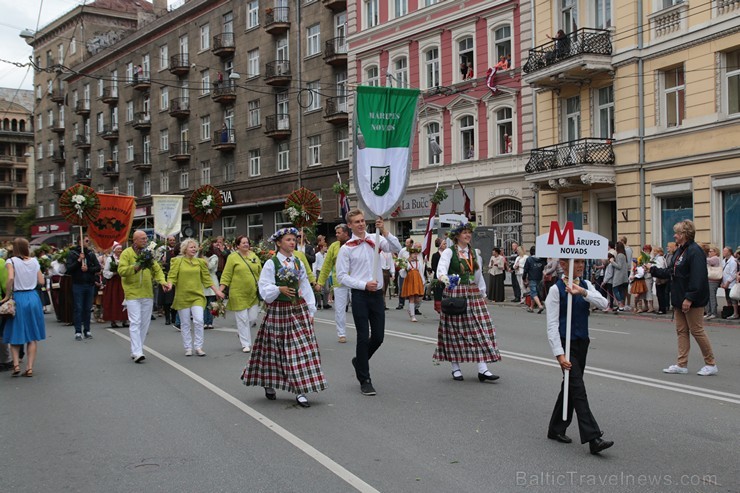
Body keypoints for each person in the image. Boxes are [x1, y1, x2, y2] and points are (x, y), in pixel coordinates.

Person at [243, 227, 326, 408]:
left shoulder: (298, 262)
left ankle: (300, 389)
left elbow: (304, 285)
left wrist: (311, 310)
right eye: (288, 239)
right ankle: (269, 382)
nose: (292, 242)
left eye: (294, 239)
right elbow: (264, 287)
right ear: (279, 243)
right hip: (278, 310)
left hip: (297, 309)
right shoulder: (271, 263)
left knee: (300, 349)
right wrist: (278, 289)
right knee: (273, 350)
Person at [545, 257, 613, 455]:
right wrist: (559, 355)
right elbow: (551, 325)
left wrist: (583, 292)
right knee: (578, 388)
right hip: (566, 345)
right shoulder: (556, 289)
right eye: (578, 262)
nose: (582, 266)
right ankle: (593, 437)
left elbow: (604, 303)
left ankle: (555, 428)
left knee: (570, 386)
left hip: (582, 342)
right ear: (564, 265)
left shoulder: (586, 284)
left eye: (583, 262)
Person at [336, 209, 402, 396]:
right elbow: (342, 277)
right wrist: (364, 285)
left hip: (377, 295)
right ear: (349, 225)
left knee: (379, 337)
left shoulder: (376, 238)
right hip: (360, 296)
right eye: (356, 222)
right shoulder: (346, 248)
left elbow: (396, 247)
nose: (361, 224)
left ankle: (360, 361)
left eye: (363, 221)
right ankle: (365, 379)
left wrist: (386, 230)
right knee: (363, 336)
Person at [434, 222, 501, 382]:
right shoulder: (449, 253)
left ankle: (482, 369)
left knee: (480, 329)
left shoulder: (474, 253)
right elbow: (440, 271)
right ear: (457, 236)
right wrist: (448, 280)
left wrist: (482, 292)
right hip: (455, 294)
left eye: (469, 232)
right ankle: (455, 368)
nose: (467, 235)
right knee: (454, 332)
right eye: (464, 232)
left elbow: (477, 274)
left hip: (472, 293)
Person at [650, 220, 718, 376]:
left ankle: (711, 363)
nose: (674, 235)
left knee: (697, 330)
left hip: (691, 299)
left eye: (677, 233)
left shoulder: (695, 251)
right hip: (678, 298)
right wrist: (653, 270)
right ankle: (682, 364)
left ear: (684, 235)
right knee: (681, 331)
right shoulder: (680, 251)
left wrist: (689, 298)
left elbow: (698, 277)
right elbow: (671, 272)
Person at [118, 230, 171, 363]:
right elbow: (121, 271)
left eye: (146, 238)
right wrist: (135, 268)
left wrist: (163, 282)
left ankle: (137, 349)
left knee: (145, 323)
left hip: (147, 292)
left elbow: (157, 270)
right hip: (132, 293)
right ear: (134, 240)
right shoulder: (127, 253)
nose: (145, 240)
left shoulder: (148, 254)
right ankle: (137, 352)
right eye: (142, 238)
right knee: (135, 322)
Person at [168, 239, 224, 357]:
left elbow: (207, 279)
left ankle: (198, 346)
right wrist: (169, 285)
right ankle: (188, 347)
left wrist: (217, 291)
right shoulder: (177, 261)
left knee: (199, 320)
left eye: (195, 247)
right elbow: (172, 276)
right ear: (185, 249)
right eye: (191, 247)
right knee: (185, 323)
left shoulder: (200, 262)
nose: (194, 249)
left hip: (197, 295)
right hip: (183, 296)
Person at [1, 238, 46, 377]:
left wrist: (7, 296)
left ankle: (15, 365)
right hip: (33, 297)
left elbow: (10, 278)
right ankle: (30, 368)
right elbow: (41, 281)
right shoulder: (34, 261)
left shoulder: (11, 261)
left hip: (19, 297)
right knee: (32, 335)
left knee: (16, 331)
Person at [219, 235, 262, 353]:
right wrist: (220, 289)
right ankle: (246, 344)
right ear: (237, 245)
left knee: (252, 318)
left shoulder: (254, 256)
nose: (246, 244)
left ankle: (241, 332)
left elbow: (261, 273)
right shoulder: (232, 257)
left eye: (247, 242)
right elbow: (226, 274)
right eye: (243, 243)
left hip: (252, 293)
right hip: (238, 293)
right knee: (242, 319)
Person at [316, 223, 352, 342]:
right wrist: (320, 282)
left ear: (346, 233)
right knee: (340, 309)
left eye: (339, 233)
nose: (336, 235)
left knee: (359, 308)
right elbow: (326, 265)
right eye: (336, 233)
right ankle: (341, 333)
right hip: (339, 282)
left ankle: (364, 331)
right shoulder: (334, 246)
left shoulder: (354, 244)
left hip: (354, 282)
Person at [65, 236, 101, 341]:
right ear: (80, 242)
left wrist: (88, 269)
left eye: (88, 240)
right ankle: (77, 331)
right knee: (78, 308)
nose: (88, 242)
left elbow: (98, 267)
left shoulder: (90, 254)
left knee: (87, 308)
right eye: (86, 241)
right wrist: (78, 261)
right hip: (78, 284)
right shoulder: (72, 254)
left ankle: (87, 330)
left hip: (89, 284)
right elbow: (69, 269)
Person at [102, 243, 127, 328]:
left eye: (121, 249)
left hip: (123, 281)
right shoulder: (110, 259)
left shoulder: (124, 258)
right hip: (114, 282)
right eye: (118, 249)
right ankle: (113, 320)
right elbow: (105, 272)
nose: (120, 251)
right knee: (114, 300)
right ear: (114, 250)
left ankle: (124, 319)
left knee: (124, 299)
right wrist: (113, 273)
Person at [400, 246, 425, 322]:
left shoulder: (418, 263)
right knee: (411, 297)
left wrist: (422, 281)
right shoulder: (407, 262)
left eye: (416, 254)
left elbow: (421, 272)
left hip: (417, 280)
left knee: (417, 299)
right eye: (413, 254)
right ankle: (413, 316)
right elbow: (402, 273)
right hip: (410, 280)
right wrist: (404, 267)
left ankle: (410, 310)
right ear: (410, 254)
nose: (415, 255)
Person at [158, 235, 178, 326]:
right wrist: (162, 261)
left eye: (174, 240)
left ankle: (174, 317)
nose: (172, 241)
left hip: (175, 277)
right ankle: (167, 318)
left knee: (174, 299)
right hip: (166, 276)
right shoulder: (163, 251)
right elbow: (157, 263)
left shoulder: (178, 250)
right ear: (167, 241)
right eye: (170, 240)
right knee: (167, 300)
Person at [201, 242, 219, 330]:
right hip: (203, 281)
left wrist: (203, 259)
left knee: (211, 303)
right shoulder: (200, 257)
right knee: (204, 304)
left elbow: (210, 266)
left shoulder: (214, 257)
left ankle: (210, 322)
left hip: (212, 280)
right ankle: (205, 322)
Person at [523, 246, 546, 313]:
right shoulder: (542, 259)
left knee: (533, 292)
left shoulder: (529, 259)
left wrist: (524, 278)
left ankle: (540, 306)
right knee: (535, 292)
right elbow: (544, 266)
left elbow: (525, 270)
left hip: (532, 277)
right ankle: (531, 307)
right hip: (539, 277)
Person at [610, 242, 629, 311]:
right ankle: (621, 305)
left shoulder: (620, 255)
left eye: (616, 247)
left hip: (619, 275)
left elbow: (619, 266)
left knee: (615, 289)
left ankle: (620, 303)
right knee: (621, 290)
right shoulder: (623, 255)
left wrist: (612, 262)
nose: (615, 248)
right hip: (623, 275)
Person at [720, 246, 738, 319]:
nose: (723, 252)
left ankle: (735, 313)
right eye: (723, 251)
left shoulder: (733, 261)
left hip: (731, 283)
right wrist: (722, 282)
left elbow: (733, 273)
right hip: (725, 283)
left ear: (730, 252)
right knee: (728, 298)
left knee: (733, 299)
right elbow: (723, 272)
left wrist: (727, 283)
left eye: (725, 251)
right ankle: (730, 312)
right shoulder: (724, 260)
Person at [705, 246, 722, 320]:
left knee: (712, 296)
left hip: (713, 280)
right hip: (709, 279)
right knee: (708, 296)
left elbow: (708, 261)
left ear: (715, 252)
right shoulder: (712, 258)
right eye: (709, 251)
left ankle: (713, 312)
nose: (709, 253)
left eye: (711, 251)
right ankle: (709, 312)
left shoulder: (715, 258)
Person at [396, 238, 413, 310]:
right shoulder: (402, 251)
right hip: (403, 272)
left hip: (411, 272)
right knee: (402, 288)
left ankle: (412, 304)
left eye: (407, 243)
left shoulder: (414, 251)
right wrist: (401, 265)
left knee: (411, 289)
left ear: (411, 244)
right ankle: (401, 303)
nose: (406, 244)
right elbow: (398, 260)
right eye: (406, 243)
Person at [652, 246, 669, 314]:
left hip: (660, 278)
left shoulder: (659, 258)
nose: (654, 253)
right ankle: (661, 308)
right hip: (661, 277)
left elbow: (659, 267)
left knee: (660, 294)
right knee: (661, 294)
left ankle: (662, 309)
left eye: (655, 251)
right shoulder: (662, 258)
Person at [431, 238, 446, 313]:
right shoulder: (435, 255)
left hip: (446, 276)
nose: (445, 245)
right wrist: (440, 273)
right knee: (438, 292)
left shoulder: (447, 254)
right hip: (438, 277)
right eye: (444, 244)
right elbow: (434, 267)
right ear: (439, 245)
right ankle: (439, 308)